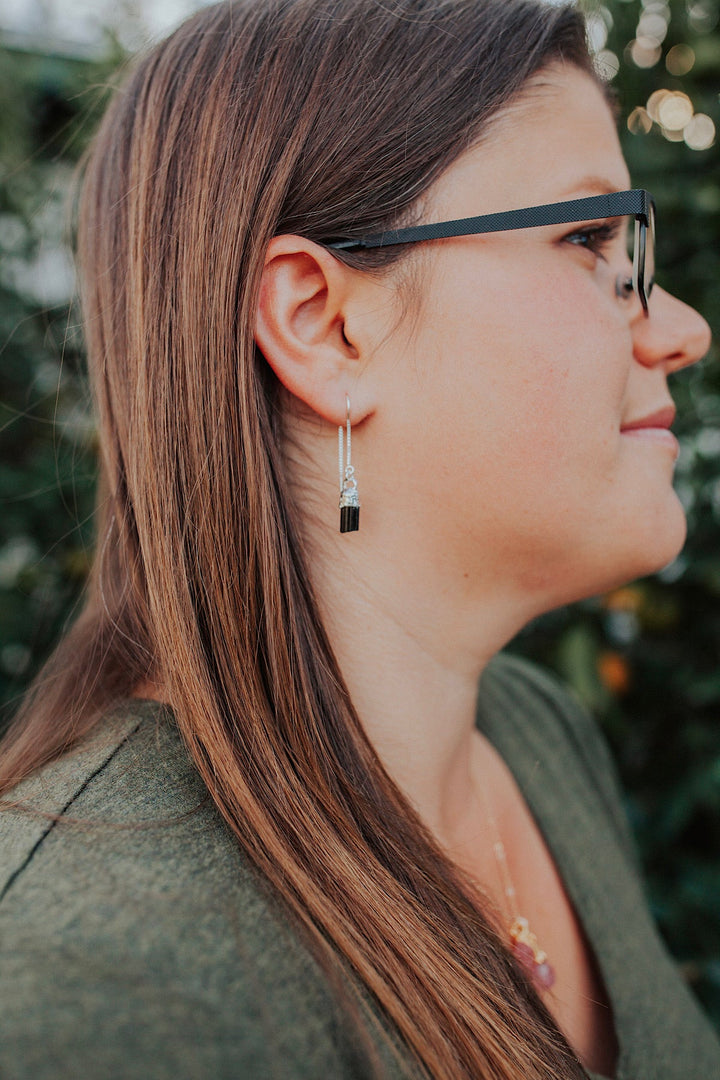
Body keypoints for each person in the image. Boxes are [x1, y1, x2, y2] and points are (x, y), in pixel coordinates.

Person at [0, 0, 718, 1076]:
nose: (681, 328)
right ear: (326, 327)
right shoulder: (99, 990)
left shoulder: (535, 738)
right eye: (591, 239)